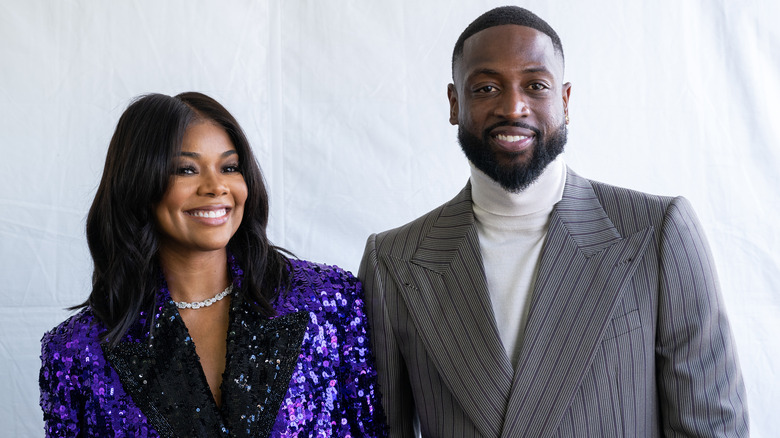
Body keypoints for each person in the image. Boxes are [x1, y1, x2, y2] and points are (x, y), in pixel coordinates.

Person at [359, 6, 748, 437]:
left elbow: (713, 426)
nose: (513, 106)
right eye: (487, 87)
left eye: (535, 85)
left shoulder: (657, 234)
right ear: (455, 103)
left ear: (564, 101)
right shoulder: (392, 262)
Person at [39, 92, 387, 437]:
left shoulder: (330, 302)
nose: (216, 186)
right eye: (186, 169)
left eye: (229, 167)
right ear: (139, 184)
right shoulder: (75, 352)